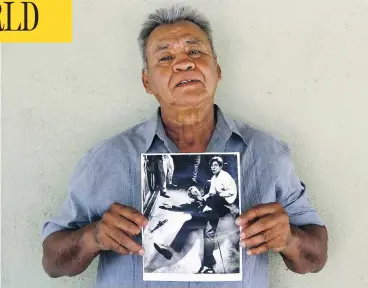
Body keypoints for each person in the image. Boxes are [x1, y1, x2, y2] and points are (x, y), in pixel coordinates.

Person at [41, 5, 328, 288]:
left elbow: (315, 257)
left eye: (195, 51)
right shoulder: (108, 158)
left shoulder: (267, 153)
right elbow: (52, 262)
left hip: (215, 220)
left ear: (217, 69)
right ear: (147, 81)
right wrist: (94, 237)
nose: (183, 63)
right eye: (165, 57)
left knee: (202, 229)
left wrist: (289, 238)